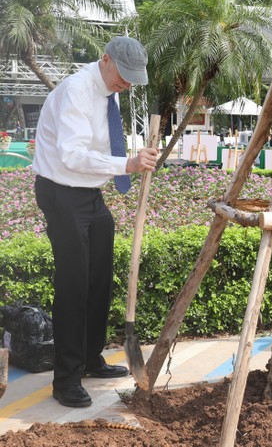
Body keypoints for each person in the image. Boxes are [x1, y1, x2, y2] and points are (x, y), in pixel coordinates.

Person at [32, 36, 159, 408]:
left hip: (90, 195)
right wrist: (126, 166)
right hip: (62, 192)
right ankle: (66, 379)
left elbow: (103, 142)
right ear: (105, 60)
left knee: (99, 279)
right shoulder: (75, 91)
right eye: (124, 76)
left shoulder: (110, 90)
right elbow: (72, 156)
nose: (128, 84)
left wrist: (133, 156)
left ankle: (90, 358)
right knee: (74, 285)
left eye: (134, 78)